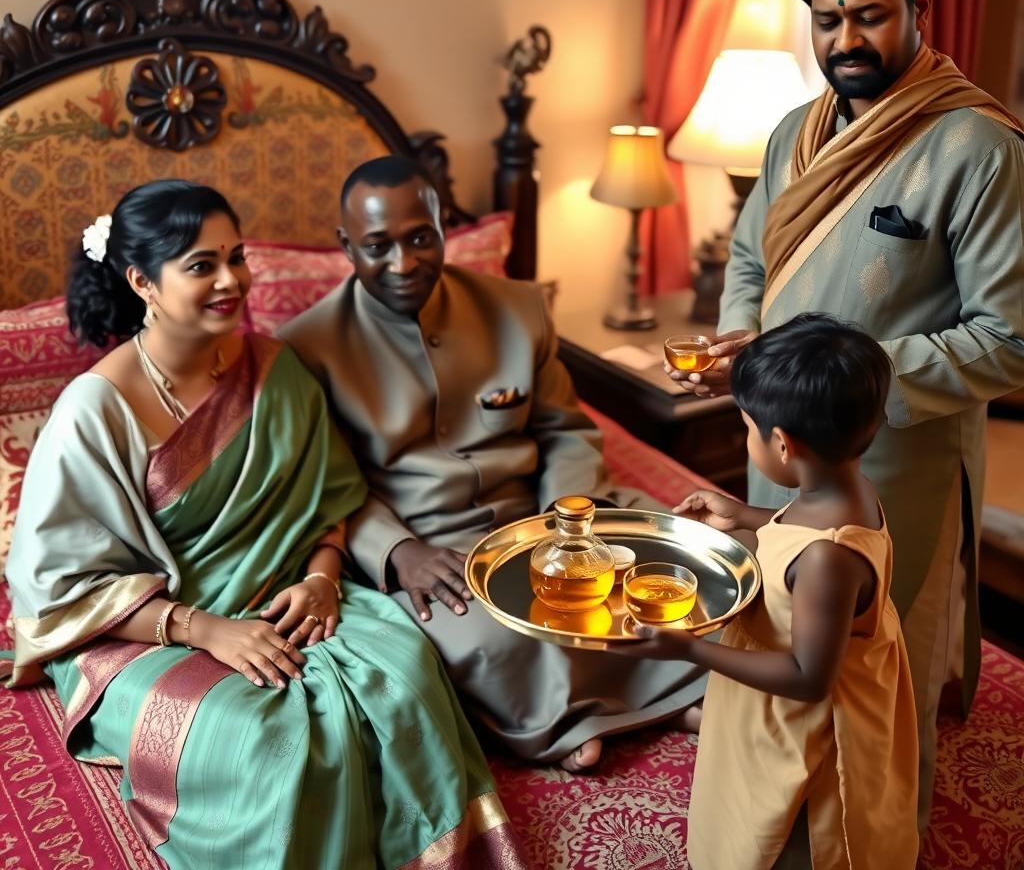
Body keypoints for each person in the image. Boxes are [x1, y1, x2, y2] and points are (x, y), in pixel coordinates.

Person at [2, 180, 525, 870]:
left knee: (403, 678)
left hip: (289, 592)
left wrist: (322, 579)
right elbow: (59, 588)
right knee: (263, 739)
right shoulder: (95, 409)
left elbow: (329, 498)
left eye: (236, 257)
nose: (231, 281)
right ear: (141, 282)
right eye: (201, 266)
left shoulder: (275, 369)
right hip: (150, 630)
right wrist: (208, 630)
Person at [666, 0, 1024, 824]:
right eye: (828, 20)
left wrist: (840, 382)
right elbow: (749, 261)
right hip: (775, 439)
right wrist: (746, 350)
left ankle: (871, 826)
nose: (847, 39)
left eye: (870, 14)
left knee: (873, 663)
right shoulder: (794, 132)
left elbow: (1010, 340)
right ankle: (774, 807)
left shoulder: (979, 150)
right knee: (783, 627)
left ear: (921, 7)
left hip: (892, 453)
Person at [279, 155, 706, 772]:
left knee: (678, 570)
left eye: (420, 238)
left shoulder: (518, 307)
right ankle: (598, 715)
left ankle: (643, 703)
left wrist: (567, 518)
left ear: (442, 226)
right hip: (433, 540)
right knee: (487, 637)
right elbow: (331, 484)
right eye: (378, 247)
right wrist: (400, 553)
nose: (402, 263)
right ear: (346, 246)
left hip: (543, 512)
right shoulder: (305, 347)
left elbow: (565, 427)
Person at [631, 314, 919, 868]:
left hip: (804, 730)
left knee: (784, 832)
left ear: (782, 444)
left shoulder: (827, 561)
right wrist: (746, 516)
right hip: (787, 695)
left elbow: (809, 680)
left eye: (747, 427)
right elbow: (801, 531)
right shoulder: (851, 486)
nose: (748, 438)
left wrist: (687, 648)